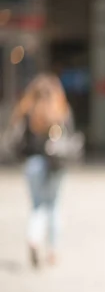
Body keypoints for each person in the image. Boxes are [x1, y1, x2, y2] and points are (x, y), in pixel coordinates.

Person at [8, 73, 74, 268]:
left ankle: (33, 238)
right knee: (54, 206)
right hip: (56, 163)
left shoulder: (27, 110)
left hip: (32, 164)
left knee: (37, 205)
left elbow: (15, 141)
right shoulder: (61, 110)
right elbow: (70, 134)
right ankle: (53, 251)